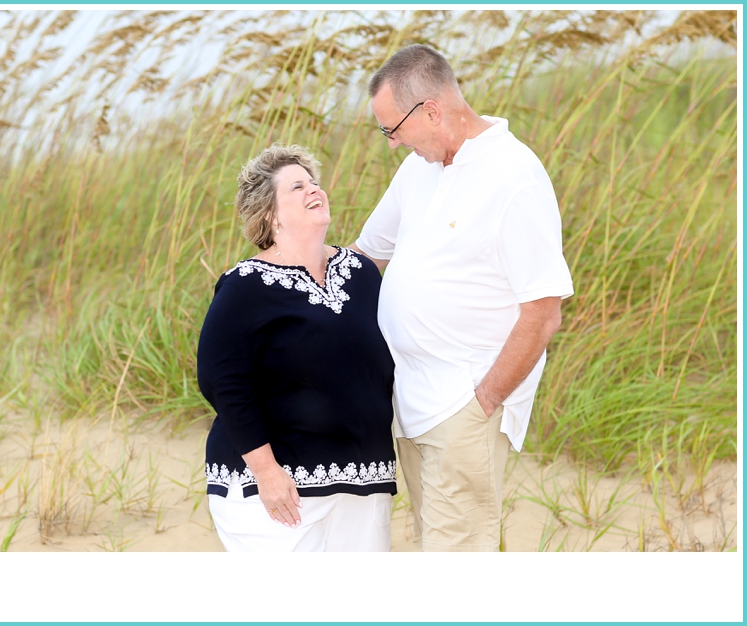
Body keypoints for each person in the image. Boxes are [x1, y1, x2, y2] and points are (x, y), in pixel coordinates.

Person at [350, 44, 574, 551]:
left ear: (429, 110)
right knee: (434, 544)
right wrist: (269, 273)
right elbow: (366, 256)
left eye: (393, 129)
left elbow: (543, 313)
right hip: (407, 399)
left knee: (458, 561)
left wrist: (484, 401)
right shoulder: (418, 168)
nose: (391, 143)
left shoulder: (515, 178)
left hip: (463, 404)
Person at [197, 144, 397, 552]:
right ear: (270, 214)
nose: (314, 190)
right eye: (296, 187)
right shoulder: (245, 285)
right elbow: (222, 382)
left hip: (363, 480)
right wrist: (266, 472)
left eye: (314, 183)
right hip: (275, 489)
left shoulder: (361, 274)